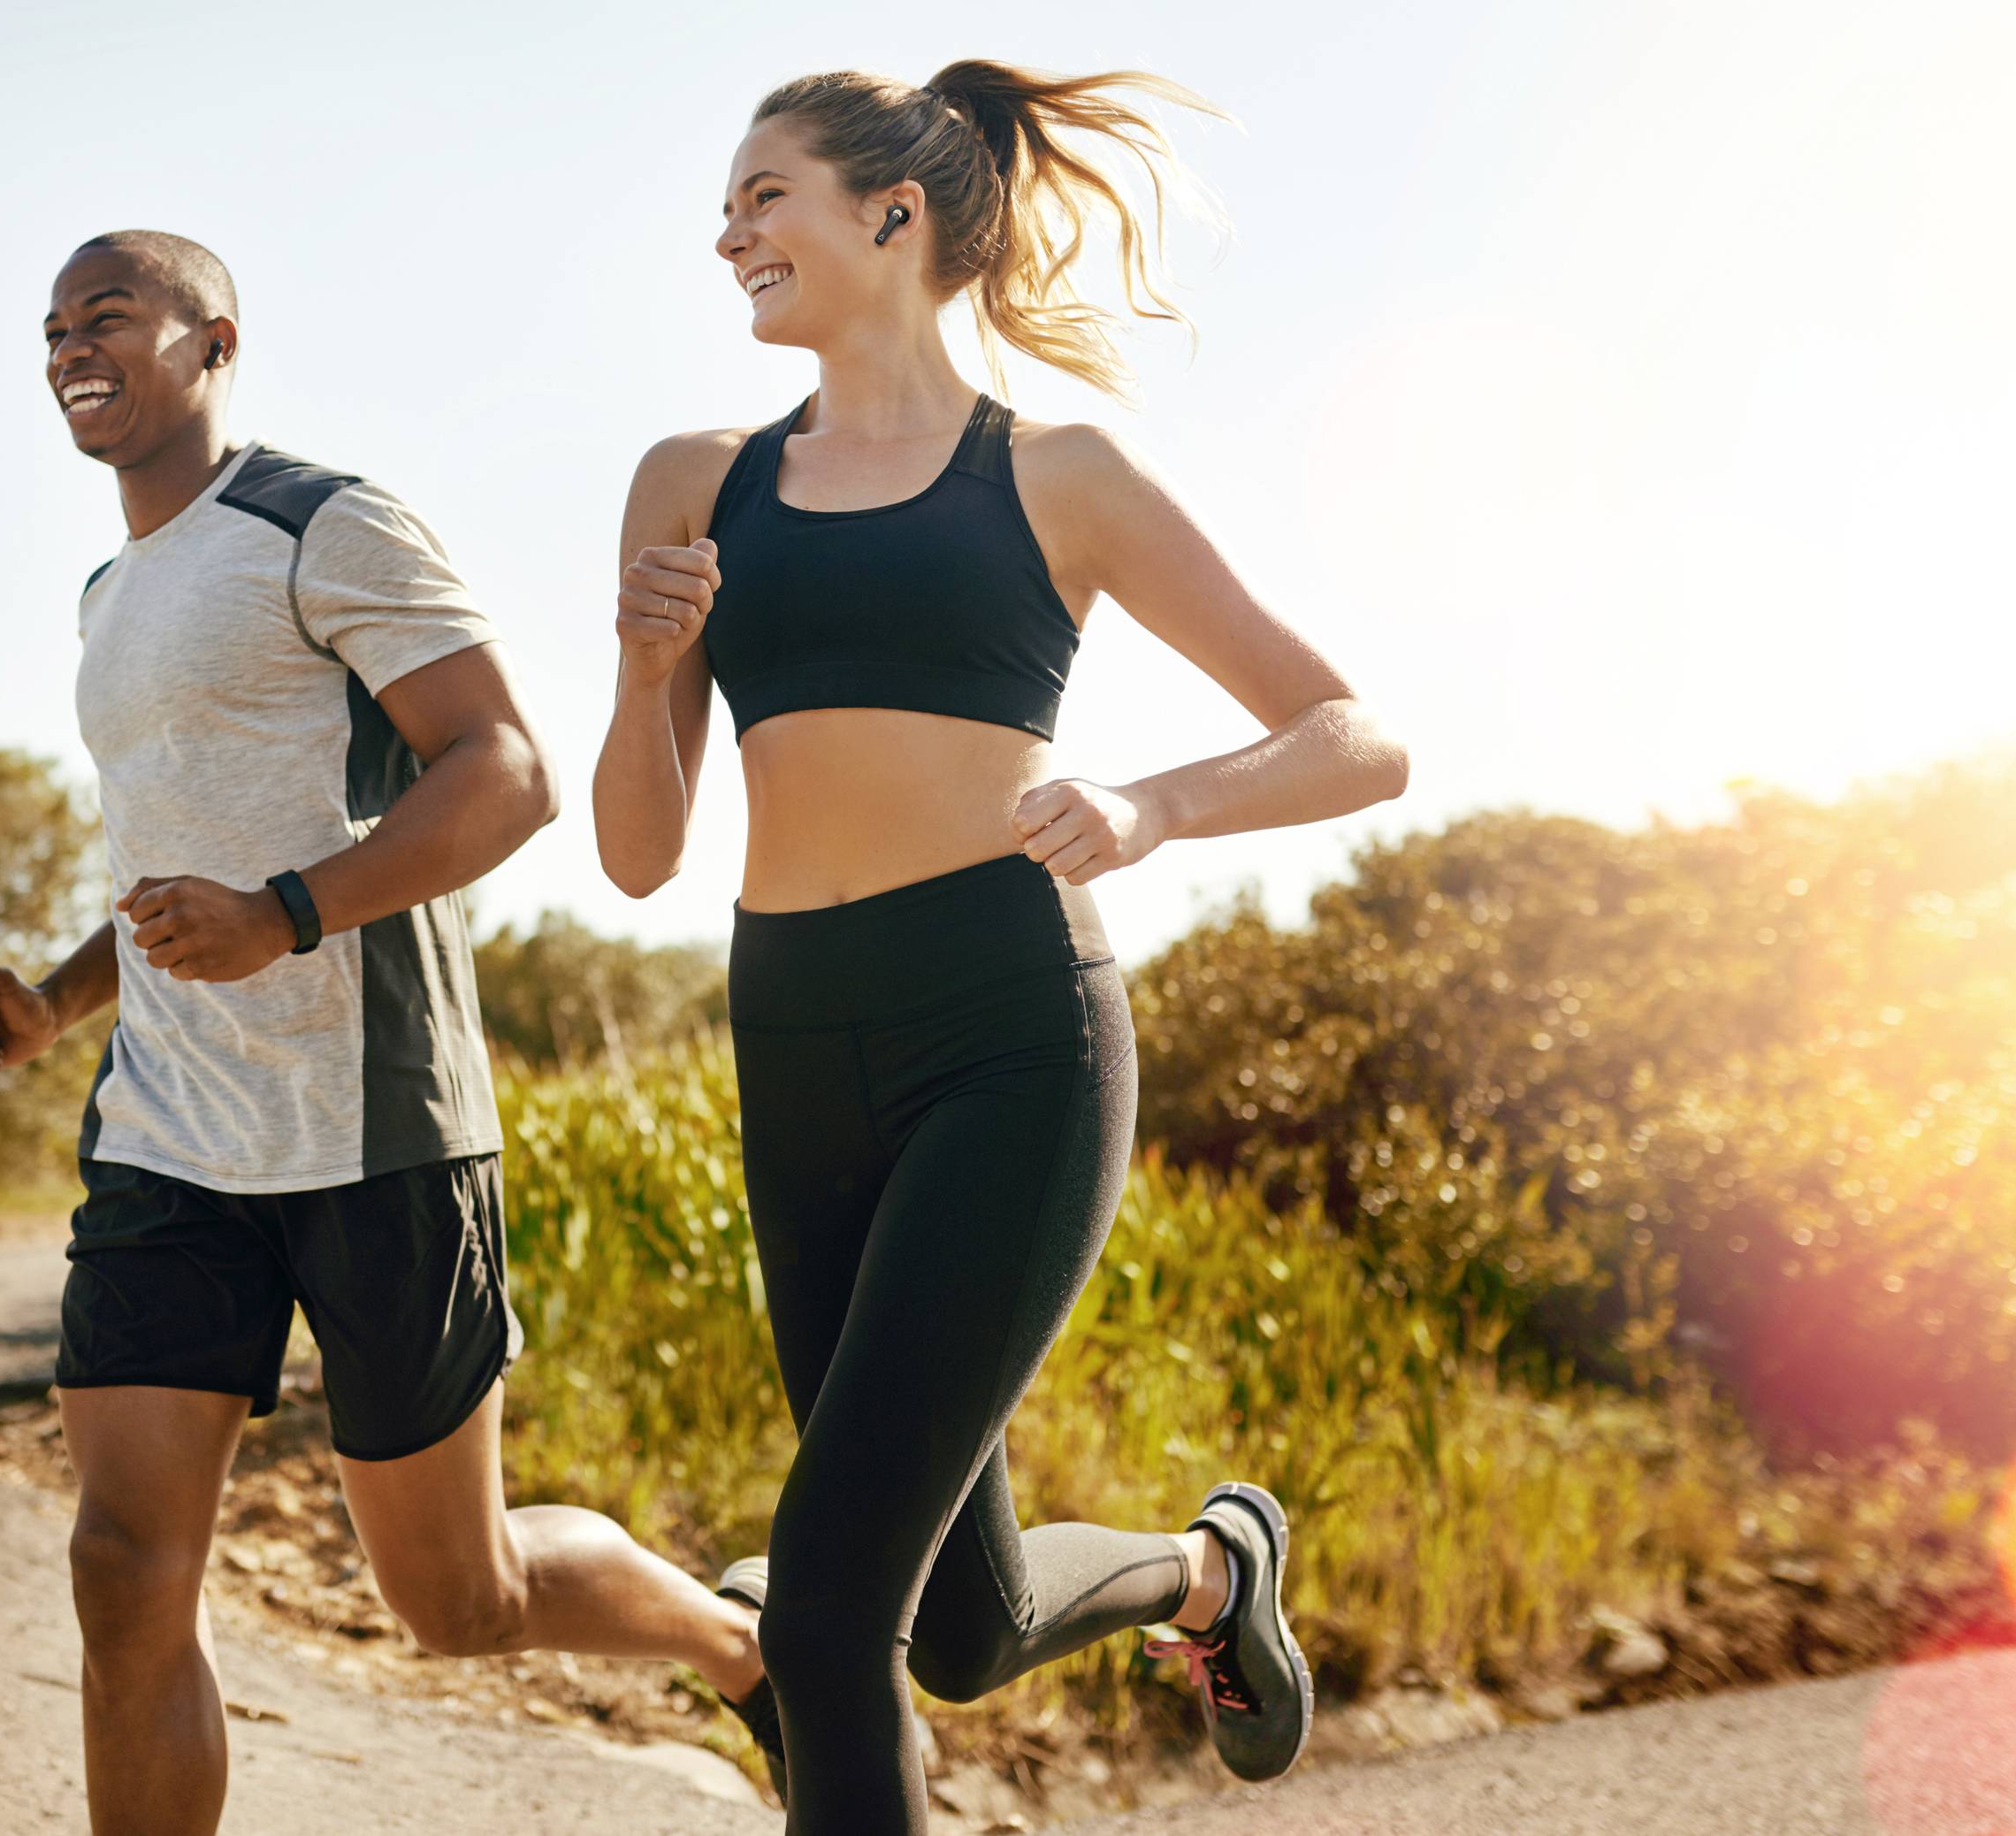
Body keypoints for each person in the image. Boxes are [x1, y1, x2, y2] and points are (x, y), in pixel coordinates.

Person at [591, 60, 1409, 1832]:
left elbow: (1354, 735)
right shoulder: (690, 480)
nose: (727, 233)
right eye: (729, 204)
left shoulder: (1059, 477)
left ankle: (1197, 1580)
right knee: (957, 1629)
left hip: (1006, 1034)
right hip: (794, 1037)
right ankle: (1213, 1574)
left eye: (764, 195)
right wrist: (653, 665)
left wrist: (1152, 808)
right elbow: (641, 854)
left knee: (817, 1612)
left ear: (891, 215)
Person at [0, 230, 778, 1836]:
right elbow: (158, 864)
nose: (70, 345)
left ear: (214, 339)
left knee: (454, 1601)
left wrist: (288, 911)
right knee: (124, 1573)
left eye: (107, 315)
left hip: (376, 1125)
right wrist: (56, 1004)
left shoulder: (322, 522)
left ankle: (746, 1653)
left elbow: (506, 772)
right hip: (169, 1134)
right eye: (52, 328)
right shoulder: (110, 591)